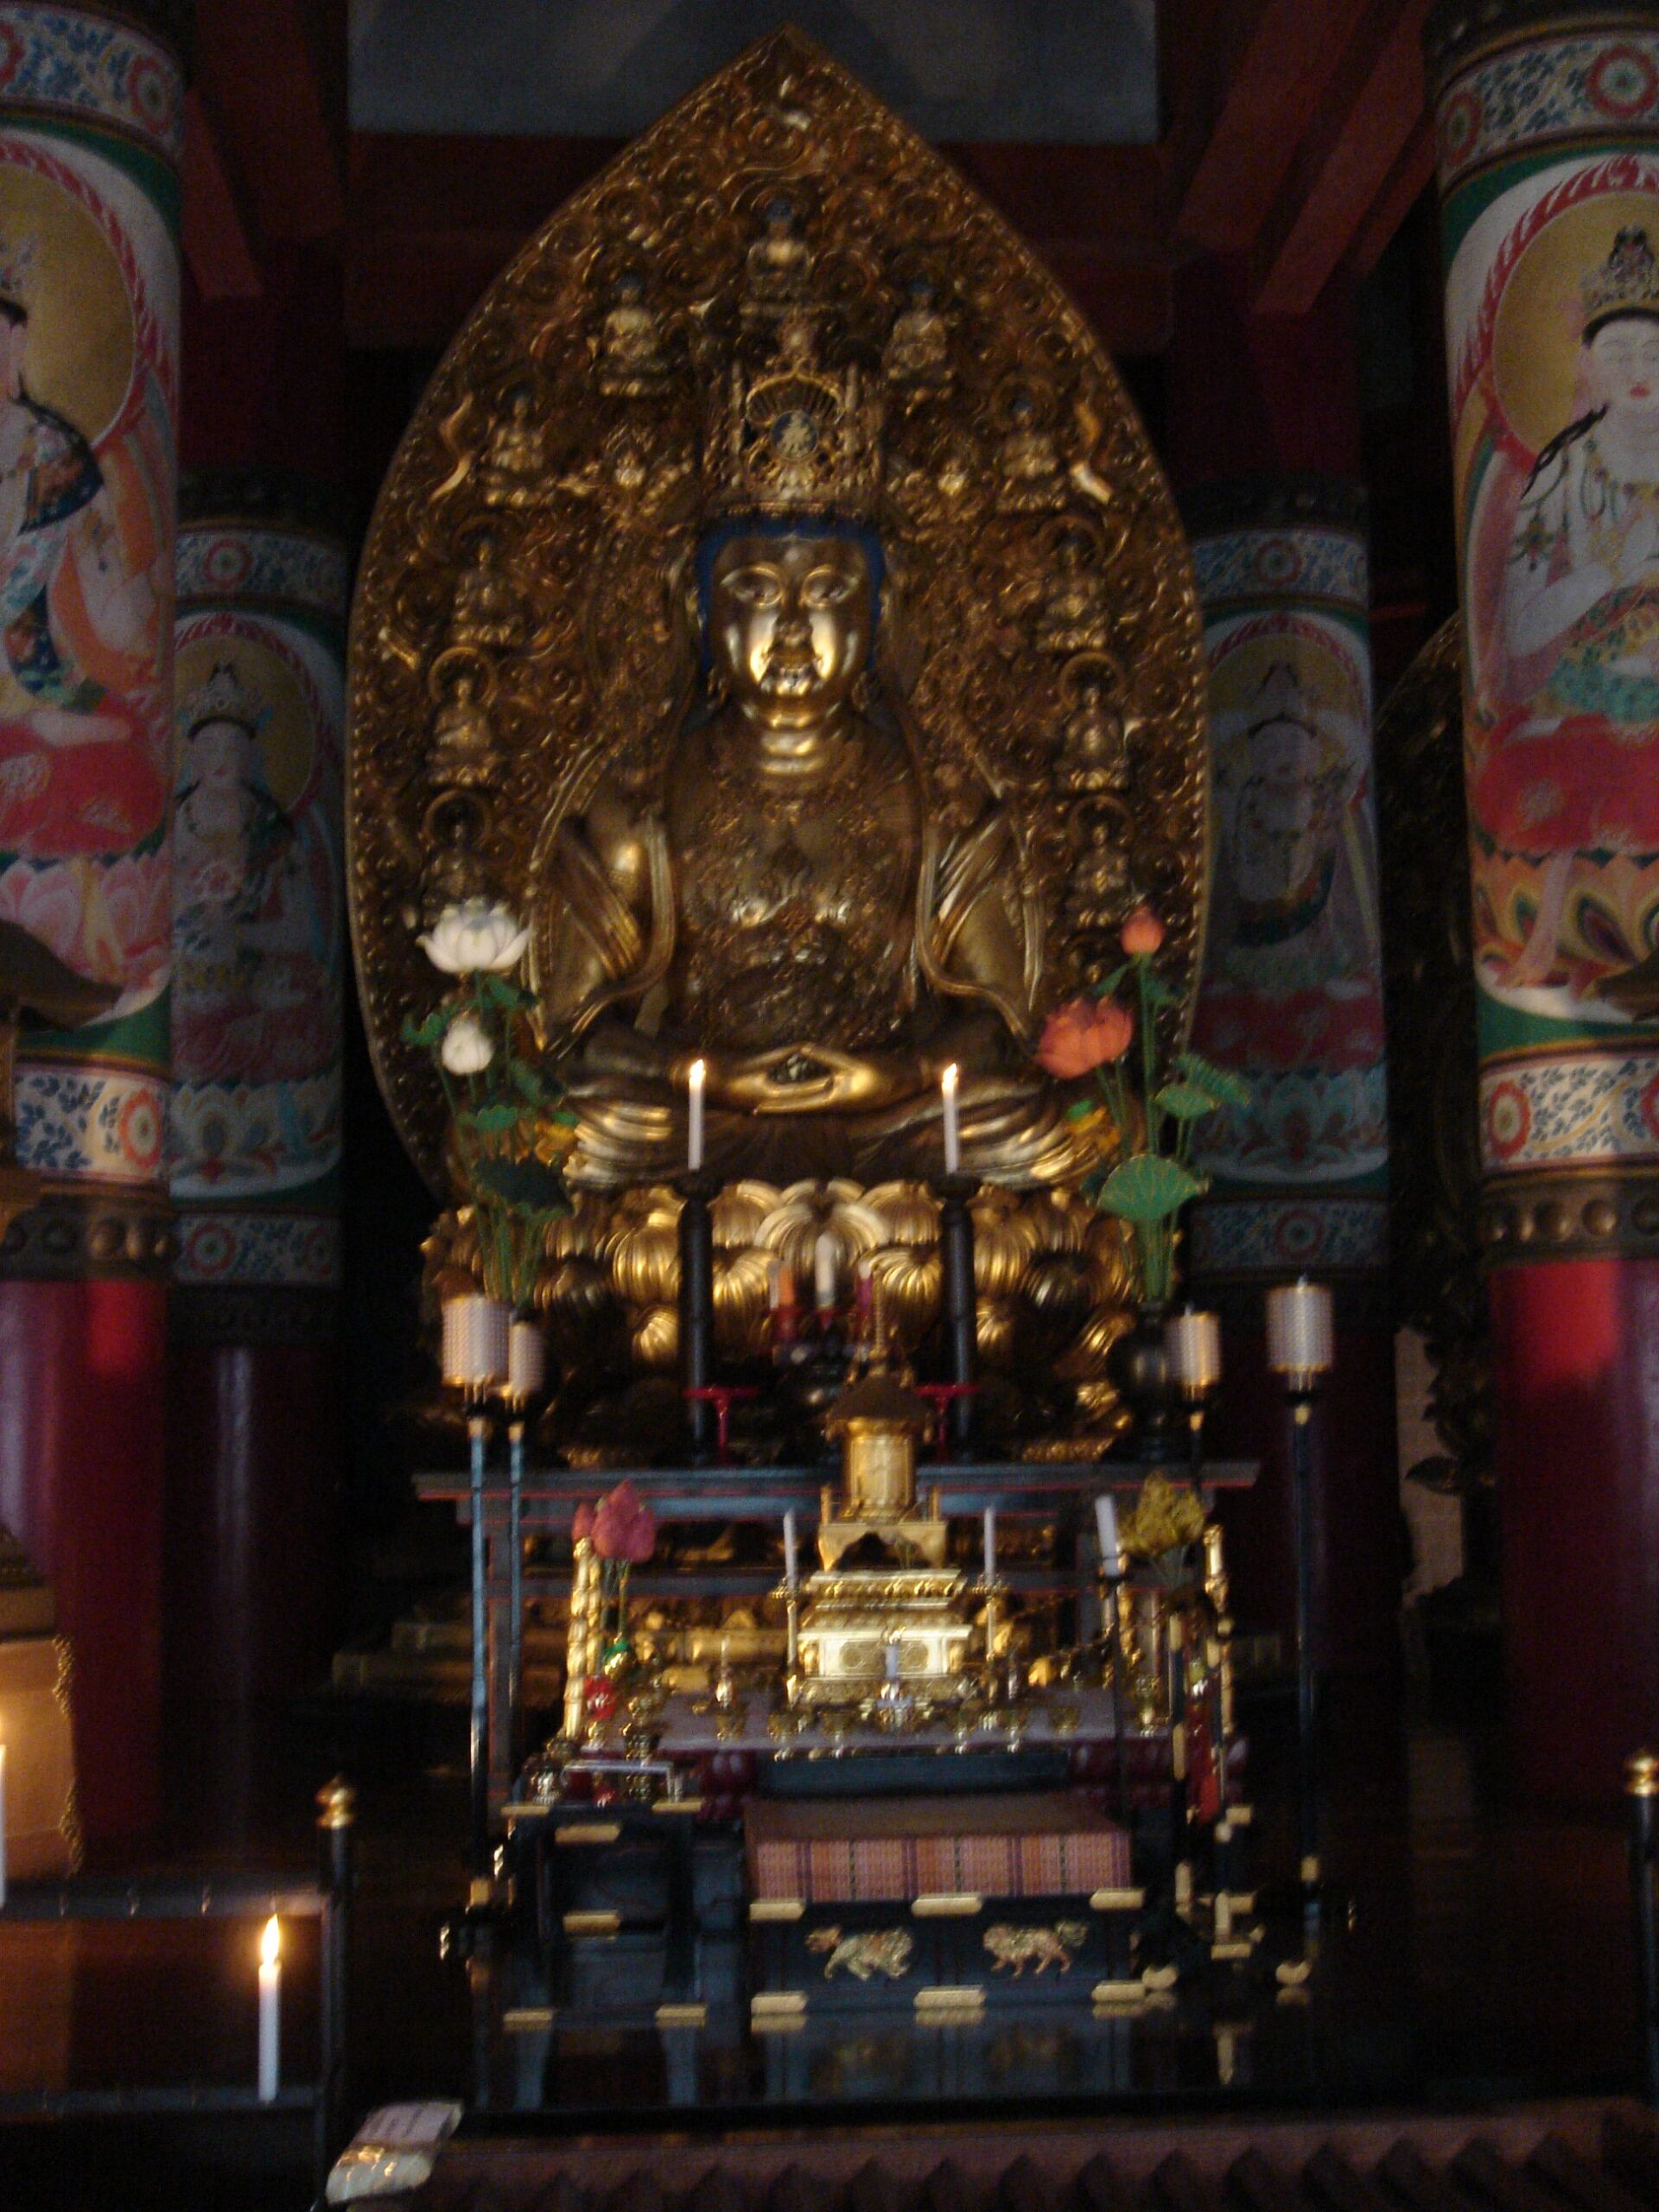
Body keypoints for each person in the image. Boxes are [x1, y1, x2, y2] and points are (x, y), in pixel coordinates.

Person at [1474, 224, 1659, 1000]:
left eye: (1652, 354)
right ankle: (1547, 938)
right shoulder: (1564, 468)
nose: (1639, 370)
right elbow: (1521, 618)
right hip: (1591, 681)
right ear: (1587, 365)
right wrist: (1605, 571)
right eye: (1619, 355)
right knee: (1557, 784)